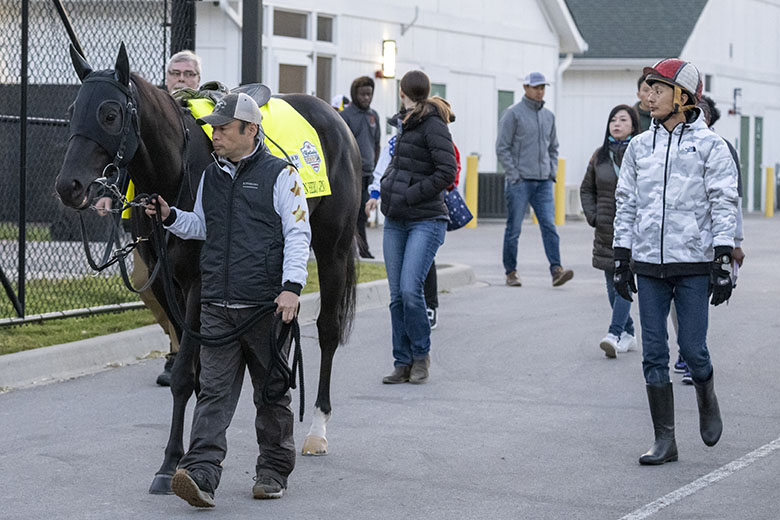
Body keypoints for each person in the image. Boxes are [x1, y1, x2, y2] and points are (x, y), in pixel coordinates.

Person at [144, 92, 311, 506]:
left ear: (249, 130)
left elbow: (297, 235)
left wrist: (292, 288)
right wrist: (169, 216)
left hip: (266, 308)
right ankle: (201, 472)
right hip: (217, 306)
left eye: (222, 128)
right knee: (213, 391)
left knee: (271, 392)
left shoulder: (282, 176)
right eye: (214, 128)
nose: (214, 135)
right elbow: (200, 226)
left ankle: (272, 471)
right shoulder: (210, 176)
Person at [612, 59, 738, 465]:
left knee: (692, 348)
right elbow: (626, 202)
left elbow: (724, 202)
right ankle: (664, 440)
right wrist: (621, 255)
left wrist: (722, 259)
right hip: (648, 265)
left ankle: (707, 394)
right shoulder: (638, 146)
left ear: (682, 97)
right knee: (653, 353)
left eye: (658, 88)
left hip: (693, 264)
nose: (648, 95)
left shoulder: (711, 146)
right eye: (647, 88)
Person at [376, 70, 456, 385]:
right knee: (396, 296)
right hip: (396, 219)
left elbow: (446, 171)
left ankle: (421, 355)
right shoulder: (405, 123)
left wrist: (409, 194)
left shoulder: (433, 124)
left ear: (402, 92)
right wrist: (386, 187)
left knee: (411, 290)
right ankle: (402, 361)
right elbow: (399, 163)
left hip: (426, 219)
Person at [672, 94, 746, 384]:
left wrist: (735, 243)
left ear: (710, 117)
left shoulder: (722, 148)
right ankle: (685, 347)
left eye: (701, 110)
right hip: (673, 241)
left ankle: (693, 353)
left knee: (695, 301)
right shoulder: (672, 144)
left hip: (708, 242)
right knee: (675, 303)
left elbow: (733, 199)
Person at [496, 72, 573, 288]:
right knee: (514, 229)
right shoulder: (513, 114)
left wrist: (551, 172)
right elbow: (502, 147)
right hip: (520, 182)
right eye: (536, 87)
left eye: (543, 87)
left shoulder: (548, 116)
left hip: (543, 182)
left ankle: (556, 270)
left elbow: (553, 147)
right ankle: (511, 272)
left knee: (549, 226)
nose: (540, 91)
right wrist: (514, 175)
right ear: (525, 88)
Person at [579, 104, 640, 358]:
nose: (616, 124)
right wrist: (593, 215)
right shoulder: (599, 156)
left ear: (633, 126)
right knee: (610, 286)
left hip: (632, 231)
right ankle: (628, 333)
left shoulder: (642, 153)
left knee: (622, 281)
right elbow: (586, 189)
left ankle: (614, 333)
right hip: (604, 231)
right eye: (613, 120)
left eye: (623, 120)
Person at [340, 76, 381, 259]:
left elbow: (377, 143)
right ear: (354, 94)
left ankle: (361, 250)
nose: (366, 98)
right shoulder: (345, 116)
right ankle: (361, 251)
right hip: (351, 174)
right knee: (354, 214)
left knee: (362, 214)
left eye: (369, 94)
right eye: (363, 94)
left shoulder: (374, 116)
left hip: (369, 173)